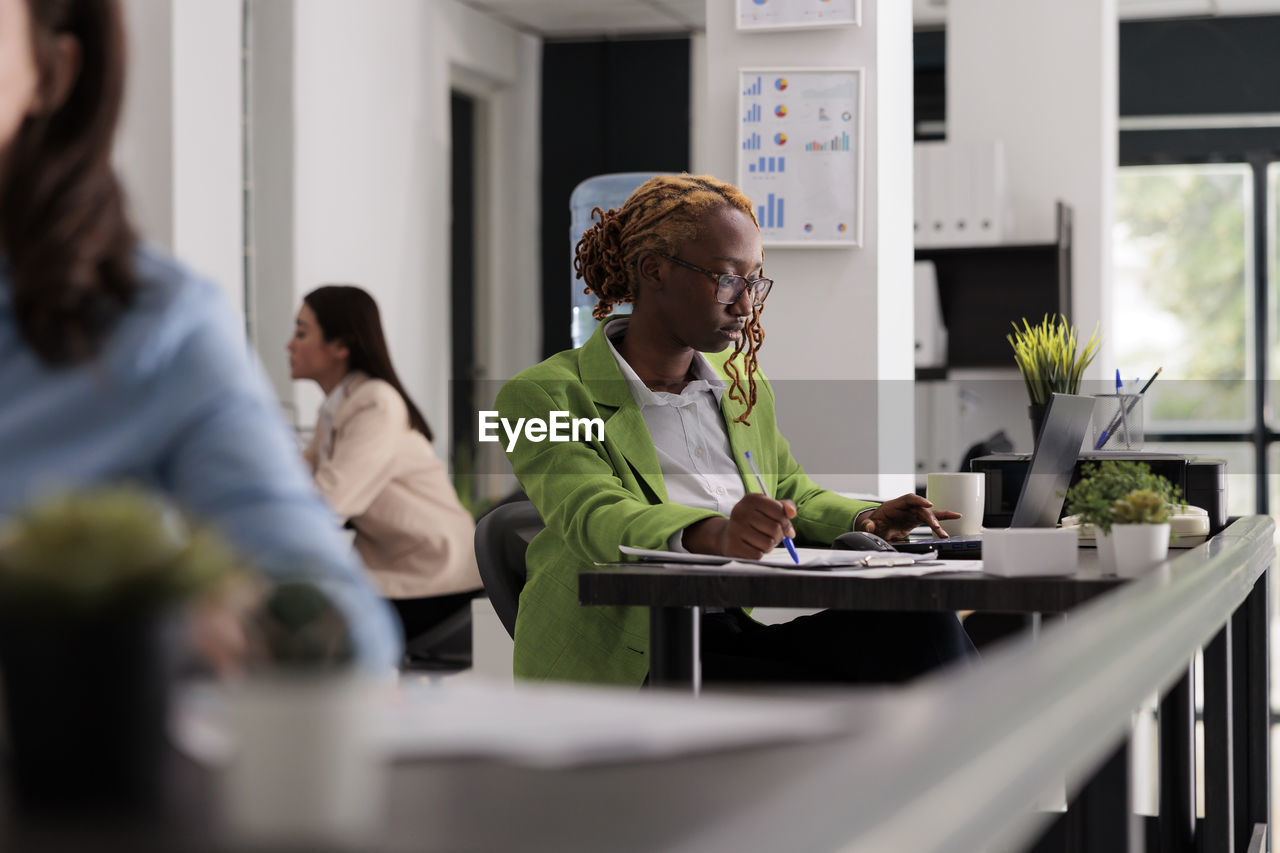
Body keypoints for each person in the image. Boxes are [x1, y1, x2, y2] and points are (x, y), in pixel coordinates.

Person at [0, 0, 398, 671]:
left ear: (51, 72)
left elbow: (329, 615)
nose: (288, 345)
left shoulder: (157, 331)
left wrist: (157, 622)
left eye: (303, 332)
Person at [496, 174, 976, 686]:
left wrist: (867, 516)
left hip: (722, 634)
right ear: (653, 269)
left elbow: (790, 493)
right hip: (633, 661)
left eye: (754, 281)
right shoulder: (542, 394)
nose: (746, 305)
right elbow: (596, 517)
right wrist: (717, 533)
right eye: (727, 278)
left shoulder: (740, 383)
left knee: (921, 624)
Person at [289, 285, 483, 645]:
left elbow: (329, 501)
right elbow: (292, 482)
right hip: (393, 575)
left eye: (301, 333)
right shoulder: (335, 409)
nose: (289, 345)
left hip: (433, 579)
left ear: (341, 346)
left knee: (301, 632)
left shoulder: (376, 405)